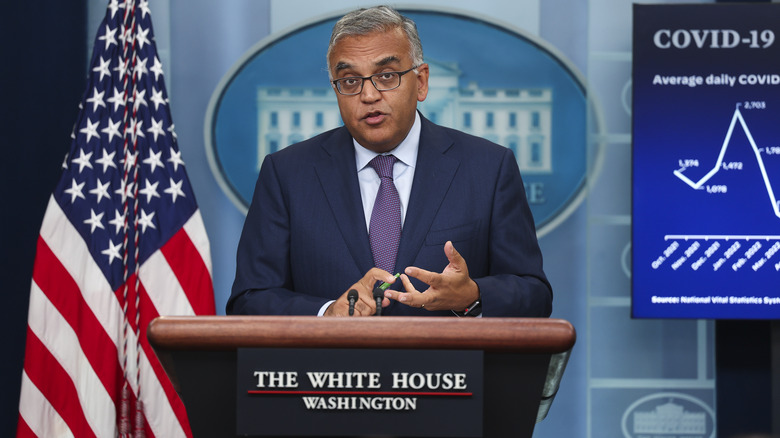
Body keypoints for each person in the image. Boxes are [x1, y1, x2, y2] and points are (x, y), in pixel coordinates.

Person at [228, 5, 552, 317]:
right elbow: (249, 299)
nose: (368, 96)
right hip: (331, 371)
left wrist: (473, 296)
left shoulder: (488, 169)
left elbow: (533, 294)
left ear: (421, 82)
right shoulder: (287, 175)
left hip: (448, 370)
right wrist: (327, 314)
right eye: (350, 81)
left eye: (386, 76)